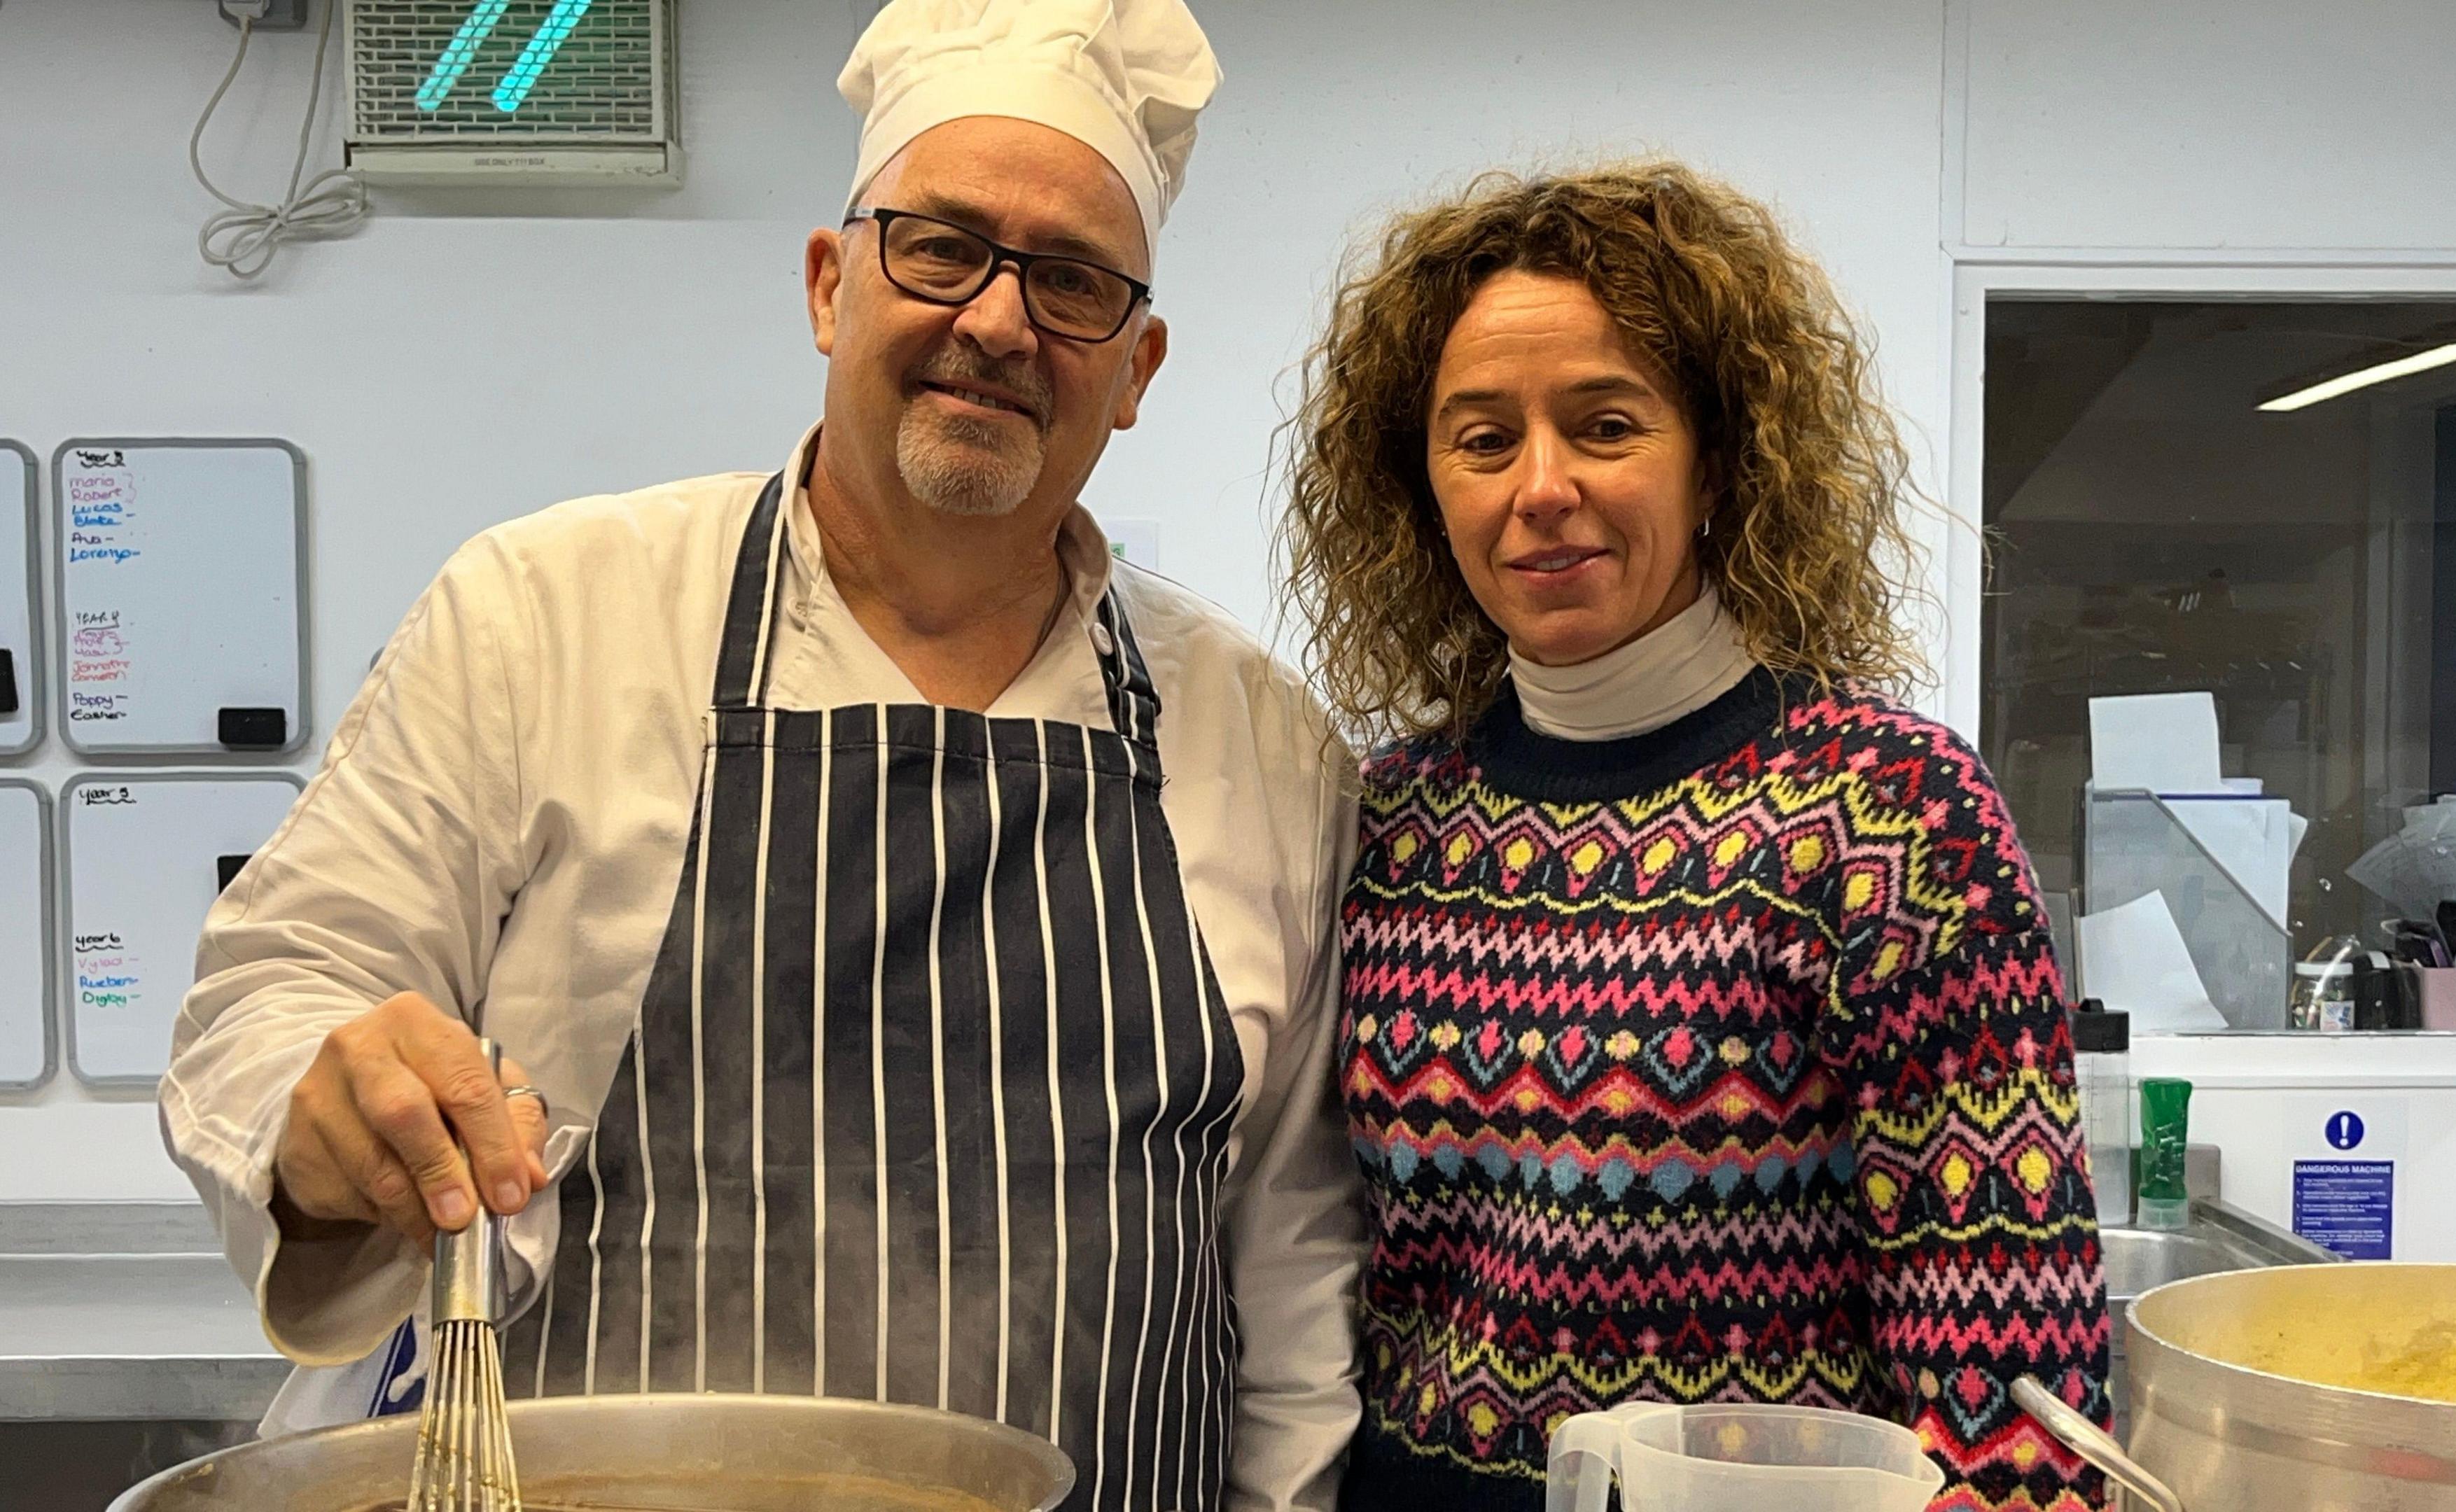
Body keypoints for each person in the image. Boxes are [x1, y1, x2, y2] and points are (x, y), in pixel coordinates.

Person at [158, 4, 1364, 1508]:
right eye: (939, 247)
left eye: (1070, 284)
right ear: (827, 284)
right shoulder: (546, 617)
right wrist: (325, 1113)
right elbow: (279, 985)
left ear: (1136, 368)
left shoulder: (1262, 742)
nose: (996, 322)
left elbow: (1295, 1282)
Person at [1280, 162, 2112, 1512]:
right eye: (1482, 440)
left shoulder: (1887, 818)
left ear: (1721, 457)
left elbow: (2020, 1405)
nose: (1538, 488)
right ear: (1423, 486)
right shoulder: (1391, 820)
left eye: (1604, 425)